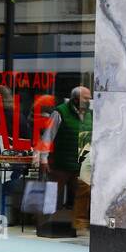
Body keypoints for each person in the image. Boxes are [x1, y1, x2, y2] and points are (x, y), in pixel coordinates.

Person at [40, 85, 92, 233]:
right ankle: (47, 223)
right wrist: (44, 158)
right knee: (53, 193)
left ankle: (79, 224)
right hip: (61, 161)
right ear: (75, 98)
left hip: (82, 162)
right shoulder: (60, 112)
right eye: (85, 98)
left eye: (89, 98)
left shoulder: (90, 114)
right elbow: (48, 136)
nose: (88, 101)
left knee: (83, 193)